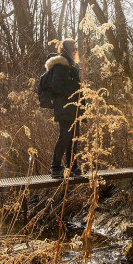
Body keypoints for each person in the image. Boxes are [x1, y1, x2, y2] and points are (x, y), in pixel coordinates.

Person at [45, 38, 83, 179]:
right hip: (65, 108)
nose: (76, 51)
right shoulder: (61, 65)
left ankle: (72, 166)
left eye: (76, 48)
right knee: (65, 137)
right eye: (74, 48)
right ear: (67, 50)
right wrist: (75, 88)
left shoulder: (71, 66)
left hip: (73, 108)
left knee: (74, 137)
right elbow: (57, 87)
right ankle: (55, 168)